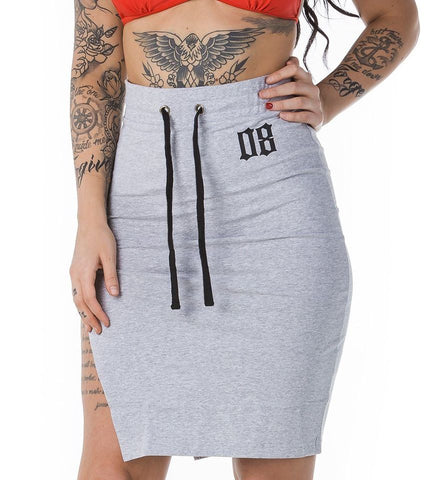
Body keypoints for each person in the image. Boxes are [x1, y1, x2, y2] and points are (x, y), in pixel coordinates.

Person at [69, 1, 419, 479]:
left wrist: (326, 98)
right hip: (139, 212)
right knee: (111, 467)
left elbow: (396, 16)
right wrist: (90, 220)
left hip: (274, 204)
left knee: (272, 463)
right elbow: (94, 75)